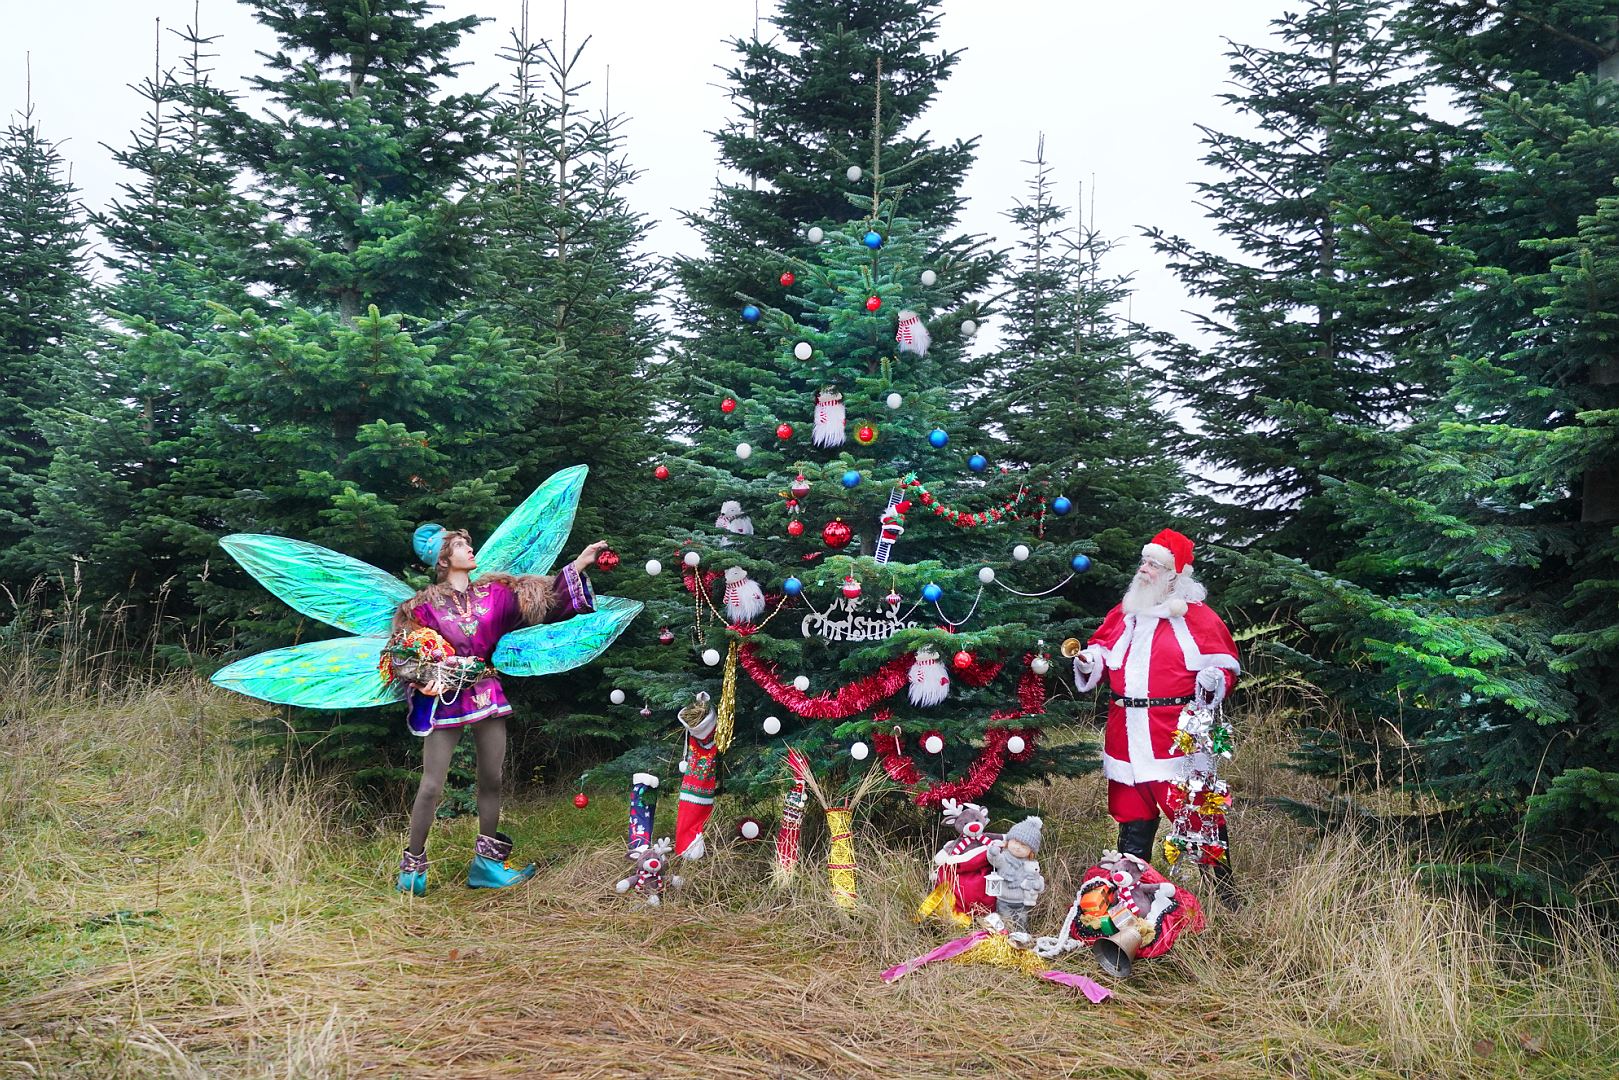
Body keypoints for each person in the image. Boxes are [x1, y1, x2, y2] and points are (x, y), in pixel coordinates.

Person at [391, 524, 608, 894]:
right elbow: (401, 654)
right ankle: (412, 870)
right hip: (445, 699)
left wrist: (579, 565)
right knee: (431, 785)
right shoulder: (420, 607)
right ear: (444, 559)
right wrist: (425, 676)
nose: (469, 549)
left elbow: (549, 602)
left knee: (492, 778)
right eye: (460, 545)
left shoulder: (496, 593)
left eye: (467, 544)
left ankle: (487, 866)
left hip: (487, 692)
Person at [1066, 529, 1241, 903]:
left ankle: (1224, 893)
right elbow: (1102, 649)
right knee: (1132, 814)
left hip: (1173, 732)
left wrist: (1212, 681)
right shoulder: (1126, 611)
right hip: (1125, 730)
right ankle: (1131, 892)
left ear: (1175, 574)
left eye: (1154, 564)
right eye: (1144, 562)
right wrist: (1088, 661)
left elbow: (1224, 668)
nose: (1144, 569)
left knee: (1193, 811)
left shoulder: (1199, 618)